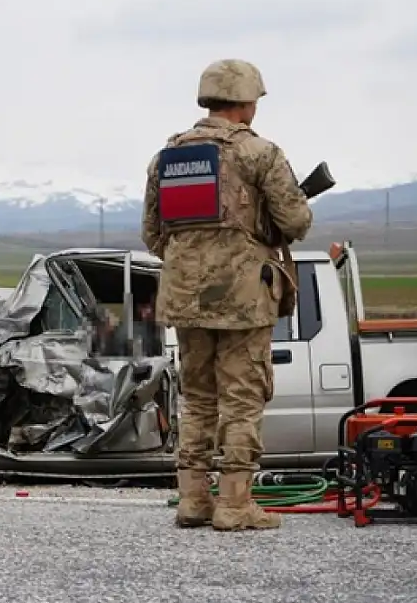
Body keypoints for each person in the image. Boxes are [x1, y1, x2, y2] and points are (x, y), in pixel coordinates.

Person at [140, 59, 313, 531]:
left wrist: (196, 258)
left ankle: (193, 501)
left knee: (196, 399)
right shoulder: (260, 153)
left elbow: (153, 235)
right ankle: (236, 506)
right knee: (241, 399)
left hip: (184, 296)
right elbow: (295, 222)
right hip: (241, 298)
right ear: (246, 101)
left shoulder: (168, 158)